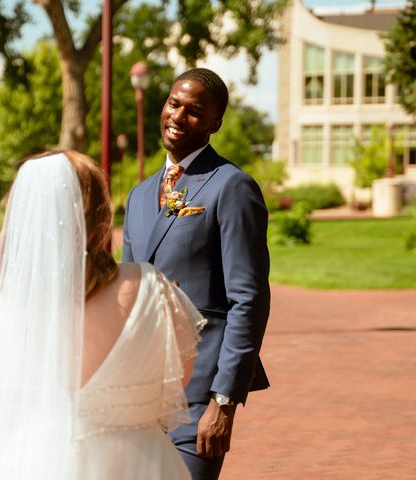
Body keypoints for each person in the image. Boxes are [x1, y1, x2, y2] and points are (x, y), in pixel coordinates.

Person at [0, 150, 206, 479]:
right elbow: (181, 375)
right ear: (99, 213)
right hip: (136, 464)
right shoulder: (150, 287)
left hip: (17, 463)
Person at [122, 68, 271, 479]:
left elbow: (249, 299)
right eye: (174, 104)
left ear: (214, 123)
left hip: (198, 395)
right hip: (141, 395)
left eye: (193, 111)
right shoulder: (138, 196)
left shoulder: (231, 186)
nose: (178, 116)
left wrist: (223, 402)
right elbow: (128, 295)